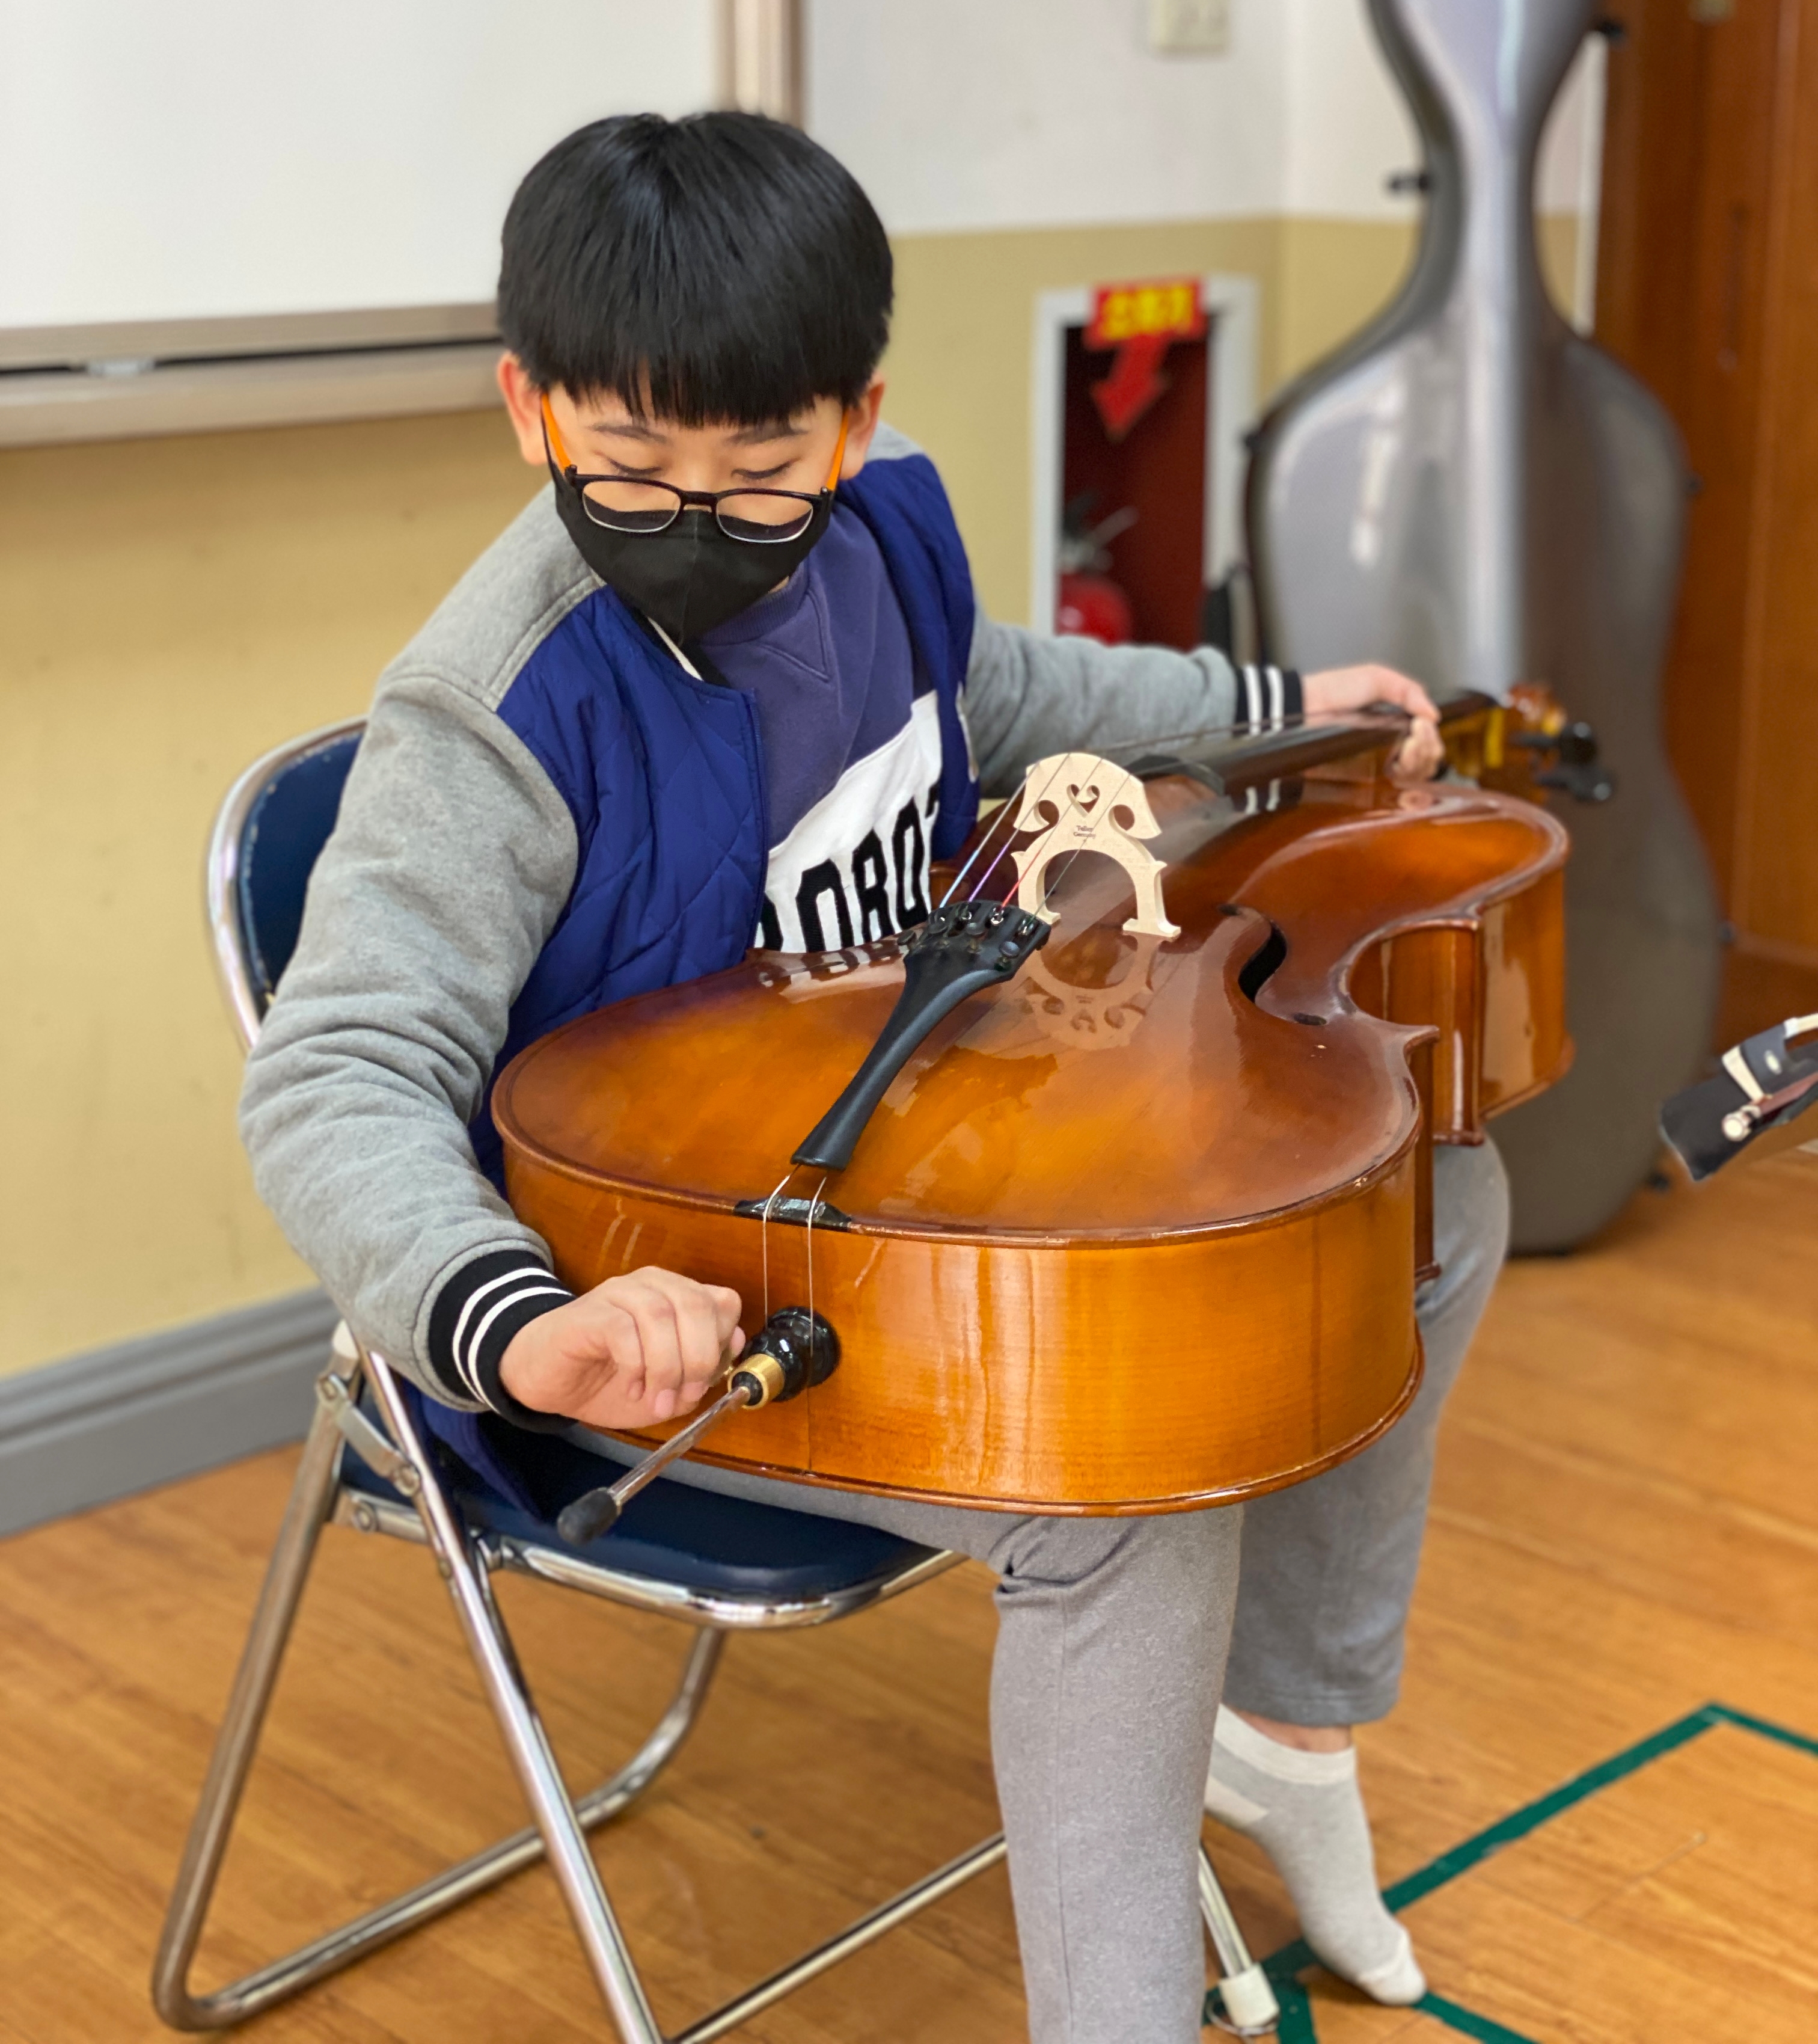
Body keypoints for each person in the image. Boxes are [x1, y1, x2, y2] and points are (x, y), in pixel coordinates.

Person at [240, 111, 1505, 2044]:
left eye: (762, 472)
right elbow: (336, 1069)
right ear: (527, 408)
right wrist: (523, 1321)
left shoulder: (886, 521)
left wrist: (1270, 704)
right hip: (662, 1311)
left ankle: (1288, 1737)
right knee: (1129, 1488)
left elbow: (1003, 693)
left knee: (1424, 1190)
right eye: (628, 466)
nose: (699, 519)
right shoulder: (486, 712)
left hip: (924, 1182)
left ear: (853, 425)